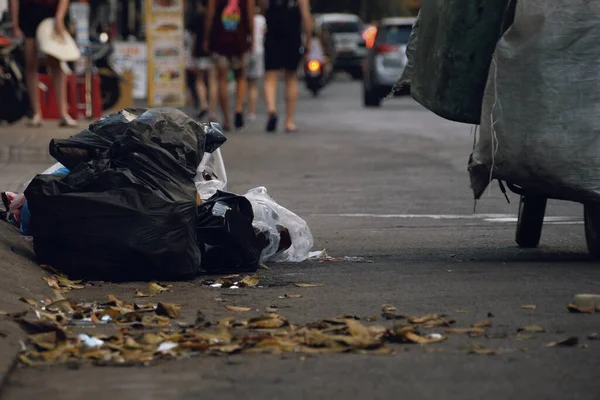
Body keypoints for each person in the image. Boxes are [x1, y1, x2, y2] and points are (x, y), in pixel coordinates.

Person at [10, 0, 77, 127]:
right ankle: (36, 113)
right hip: (28, 13)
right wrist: (14, 24)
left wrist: (59, 17)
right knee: (30, 63)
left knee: (56, 62)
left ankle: (63, 113)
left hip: (50, 14)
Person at [204, 0, 255, 131]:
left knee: (222, 79)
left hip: (219, 40)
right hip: (239, 40)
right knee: (240, 76)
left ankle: (226, 119)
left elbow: (210, 15)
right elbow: (250, 15)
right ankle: (238, 108)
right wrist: (252, 37)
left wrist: (206, 38)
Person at [263, 0, 311, 133]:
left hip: (272, 34)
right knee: (291, 77)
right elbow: (306, 14)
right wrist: (309, 39)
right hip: (292, 36)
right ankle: (289, 121)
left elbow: (262, 7)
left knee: (270, 77)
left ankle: (271, 110)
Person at [188, 0, 215, 120]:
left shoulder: (197, 18)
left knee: (200, 79)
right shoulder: (214, 16)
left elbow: (193, 38)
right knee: (213, 81)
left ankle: (204, 104)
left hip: (199, 52)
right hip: (213, 52)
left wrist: (192, 52)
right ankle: (212, 111)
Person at [245, 5, 265, 121]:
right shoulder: (261, 19)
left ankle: (240, 109)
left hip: (244, 51)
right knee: (253, 85)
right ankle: (251, 112)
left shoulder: (245, 17)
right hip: (258, 51)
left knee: (242, 83)